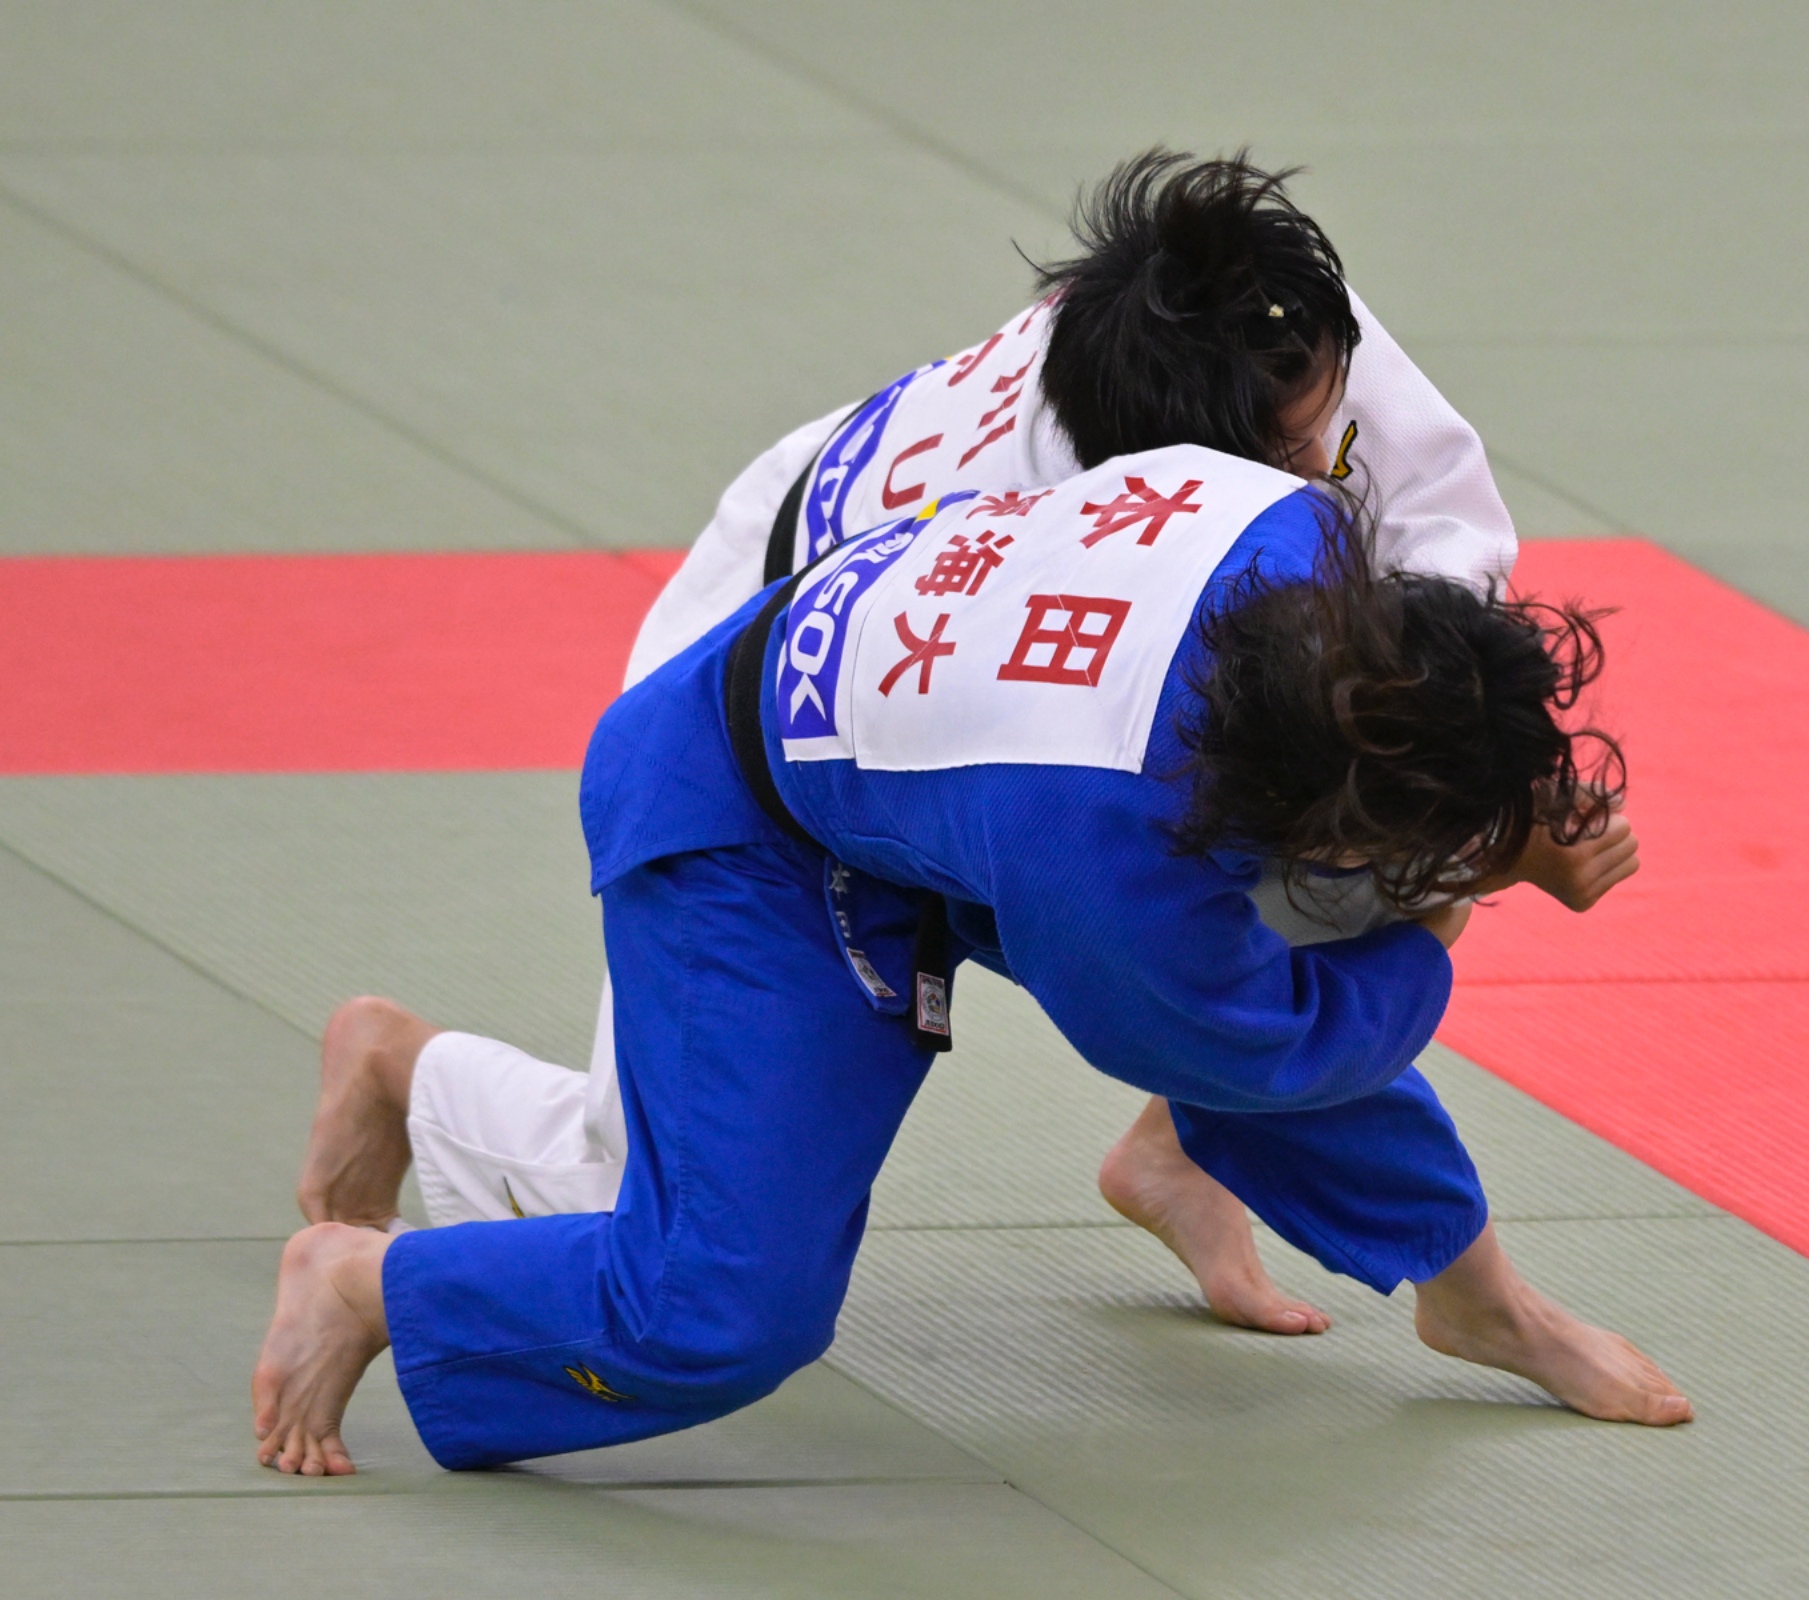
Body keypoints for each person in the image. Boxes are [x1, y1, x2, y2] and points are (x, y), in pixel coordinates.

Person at [297, 151, 1621, 1338]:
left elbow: (1435, 534)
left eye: (1334, 406)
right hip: (754, 667)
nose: (1338, 447)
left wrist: (1491, 776)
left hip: (913, 644)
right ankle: (409, 1070)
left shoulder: (1247, 319)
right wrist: (1465, 857)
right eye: (1304, 446)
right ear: (1186, 467)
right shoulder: (1089, 541)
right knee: (642, 1198)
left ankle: (1188, 1158)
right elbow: (1173, 962)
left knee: (1348, 828)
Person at [254, 435, 1692, 1477]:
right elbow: (1273, 1045)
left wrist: (1484, 816)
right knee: (721, 1307)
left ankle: (1473, 1294)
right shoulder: (1114, 872)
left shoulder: (1295, 528)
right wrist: (1453, 906)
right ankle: (369, 1282)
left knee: (1277, 941)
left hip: (917, 746)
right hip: (739, 823)